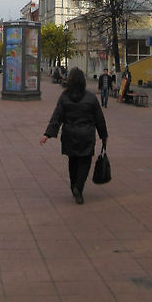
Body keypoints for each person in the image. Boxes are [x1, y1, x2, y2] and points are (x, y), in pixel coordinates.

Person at [40, 67, 108, 205]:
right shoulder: (91, 98)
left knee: (73, 161)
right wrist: (103, 135)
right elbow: (99, 118)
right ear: (83, 81)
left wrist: (48, 134)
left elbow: (57, 116)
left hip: (70, 135)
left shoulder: (64, 97)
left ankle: (73, 186)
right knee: (85, 162)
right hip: (87, 135)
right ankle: (79, 187)